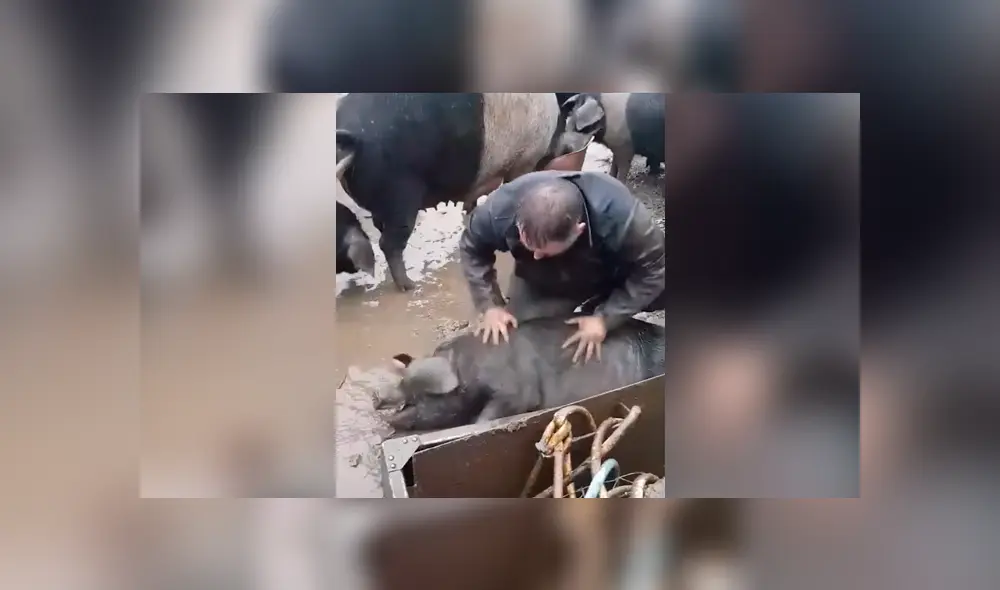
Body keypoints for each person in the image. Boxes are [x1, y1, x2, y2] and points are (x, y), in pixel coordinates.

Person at [459, 170, 665, 363]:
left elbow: (655, 269)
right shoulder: (501, 209)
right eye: (529, 247)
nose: (537, 255)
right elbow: (472, 245)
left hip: (616, 273)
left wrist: (605, 318)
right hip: (544, 279)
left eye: (545, 251)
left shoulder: (622, 216)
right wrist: (490, 305)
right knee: (525, 338)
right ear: (519, 222)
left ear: (578, 230)